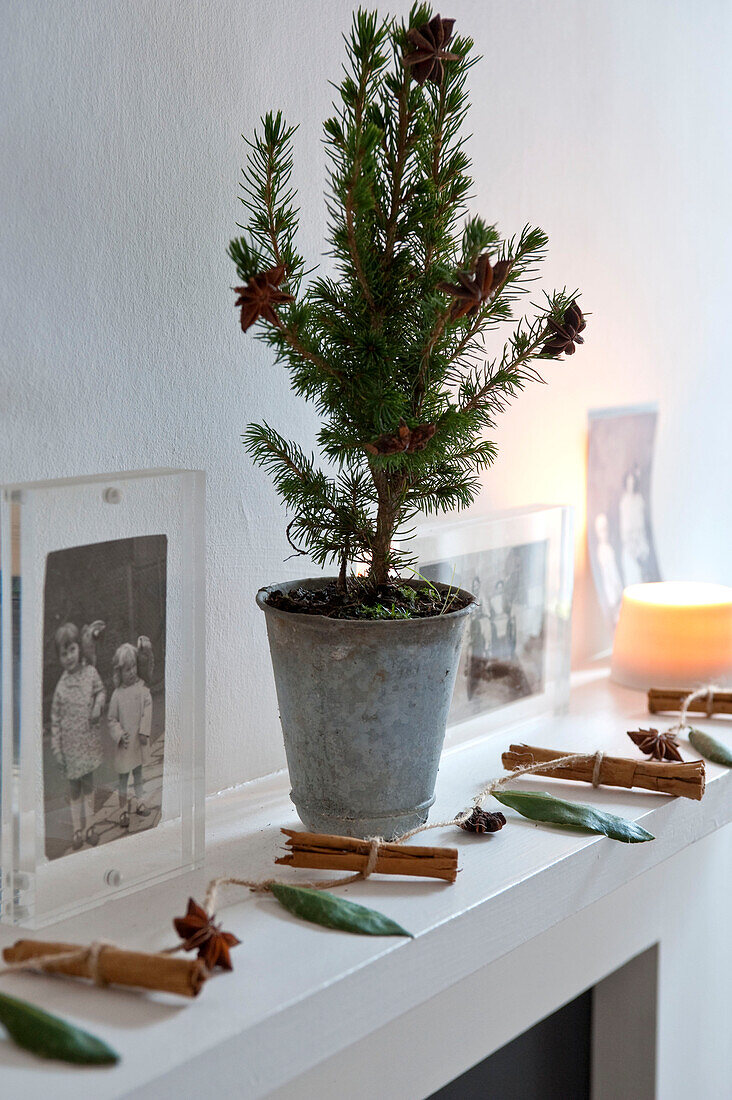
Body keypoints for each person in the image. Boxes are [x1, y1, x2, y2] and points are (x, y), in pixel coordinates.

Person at [50, 622, 106, 850]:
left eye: (72, 650)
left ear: (79, 648)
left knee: (89, 785)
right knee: (74, 788)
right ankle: (77, 829)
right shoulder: (61, 687)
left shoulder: (90, 673)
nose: (69, 657)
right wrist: (57, 748)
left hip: (87, 743)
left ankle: (90, 825)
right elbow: (55, 721)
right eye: (64, 654)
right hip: (71, 748)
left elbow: (101, 691)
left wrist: (98, 706)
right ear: (59, 657)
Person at [107, 642, 153, 828]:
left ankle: (140, 801)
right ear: (119, 672)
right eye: (127, 669)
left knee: (139, 774)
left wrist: (144, 731)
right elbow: (111, 719)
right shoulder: (117, 696)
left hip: (138, 742)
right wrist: (118, 734)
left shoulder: (142, 690)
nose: (132, 672)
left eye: (133, 667)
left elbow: (147, 710)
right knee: (123, 778)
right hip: (125, 745)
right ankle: (122, 810)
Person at [619, 470, 650, 585]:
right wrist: (630, 542)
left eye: (633, 483)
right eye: (629, 483)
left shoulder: (639, 500)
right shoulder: (624, 502)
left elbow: (641, 522)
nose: (631, 485)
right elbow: (625, 527)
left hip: (639, 541)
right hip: (629, 543)